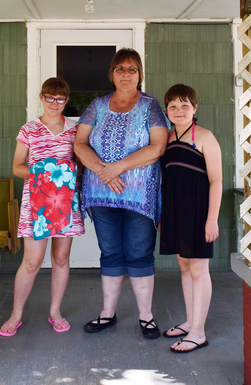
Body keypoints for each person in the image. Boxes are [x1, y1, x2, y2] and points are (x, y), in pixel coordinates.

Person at [74, 48, 169, 339]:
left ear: (140, 74)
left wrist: (118, 167)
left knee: (140, 253)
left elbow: (158, 147)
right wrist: (104, 171)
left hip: (139, 197)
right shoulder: (98, 106)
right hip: (101, 195)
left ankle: (146, 317)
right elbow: (79, 143)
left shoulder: (150, 106)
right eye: (120, 68)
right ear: (111, 73)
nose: (126, 74)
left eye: (132, 69)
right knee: (111, 252)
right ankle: (107, 314)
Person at [0, 77, 84, 336]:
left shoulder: (75, 129)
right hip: (36, 203)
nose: (54, 103)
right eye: (50, 97)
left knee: (60, 258)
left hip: (65, 202)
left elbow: (80, 164)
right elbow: (17, 167)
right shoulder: (29, 129)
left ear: (66, 100)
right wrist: (46, 173)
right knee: (32, 261)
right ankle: (16, 314)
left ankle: (55, 312)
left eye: (60, 99)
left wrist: (70, 173)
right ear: (41, 97)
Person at [159, 84, 222, 353]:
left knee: (198, 270)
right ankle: (189, 321)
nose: (179, 110)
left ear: (194, 108)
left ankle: (199, 332)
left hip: (198, 213)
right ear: (167, 111)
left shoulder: (205, 137)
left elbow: (216, 181)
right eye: (172, 106)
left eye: (184, 105)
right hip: (174, 213)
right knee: (184, 268)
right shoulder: (167, 138)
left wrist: (212, 220)